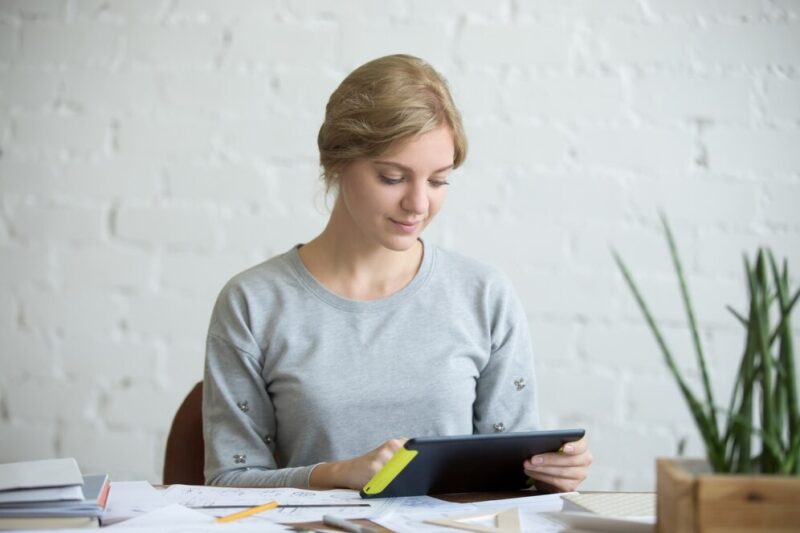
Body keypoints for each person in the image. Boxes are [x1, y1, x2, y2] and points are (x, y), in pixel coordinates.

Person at [202, 54, 592, 492]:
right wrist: (336, 473)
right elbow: (229, 480)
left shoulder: (484, 296)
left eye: (438, 181)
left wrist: (548, 475)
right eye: (392, 178)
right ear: (337, 163)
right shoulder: (254, 302)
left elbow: (511, 477)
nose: (418, 204)